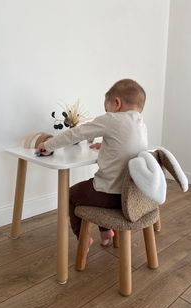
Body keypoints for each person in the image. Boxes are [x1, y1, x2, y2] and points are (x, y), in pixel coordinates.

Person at [36, 79, 148, 246]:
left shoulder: (112, 119)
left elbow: (75, 134)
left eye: (106, 108)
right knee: (92, 189)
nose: (106, 112)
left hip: (110, 195)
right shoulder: (141, 125)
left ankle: (83, 238)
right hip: (132, 197)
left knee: (70, 195)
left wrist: (47, 145)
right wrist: (106, 144)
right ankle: (106, 232)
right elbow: (128, 147)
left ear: (116, 103)